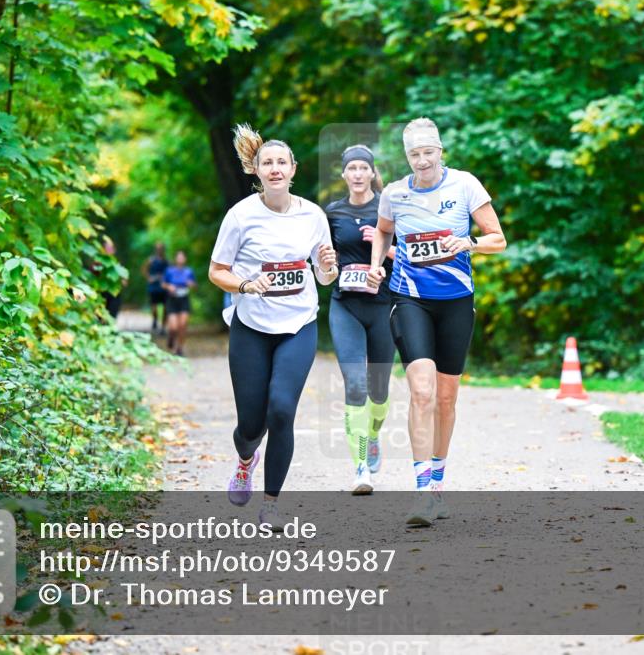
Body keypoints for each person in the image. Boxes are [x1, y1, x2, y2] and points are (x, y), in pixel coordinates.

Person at [367, 117, 506, 526]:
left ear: (440, 152)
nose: (422, 160)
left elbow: (498, 237)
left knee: (446, 398)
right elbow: (382, 232)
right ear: (407, 157)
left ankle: (439, 481)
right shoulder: (394, 194)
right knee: (422, 391)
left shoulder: (465, 185)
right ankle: (423, 490)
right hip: (410, 299)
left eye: (428, 152)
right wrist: (377, 265)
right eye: (414, 154)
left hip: (456, 303)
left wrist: (470, 243)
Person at [208, 124, 338, 530]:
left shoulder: (313, 215)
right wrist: (247, 285)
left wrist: (330, 267)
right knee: (251, 424)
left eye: (282, 162)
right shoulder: (241, 215)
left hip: (298, 323)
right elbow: (217, 271)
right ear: (257, 170)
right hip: (251, 325)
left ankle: (271, 504)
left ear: (293, 168)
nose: (276, 168)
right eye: (268, 162)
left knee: (281, 410)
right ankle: (246, 460)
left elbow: (325, 277)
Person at [325, 144, 396, 495]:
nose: (356, 174)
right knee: (354, 384)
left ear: (371, 173)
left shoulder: (389, 207)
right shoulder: (333, 213)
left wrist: (384, 249)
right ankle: (361, 468)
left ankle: (373, 436)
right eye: (350, 168)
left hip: (383, 306)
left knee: (379, 390)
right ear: (344, 175)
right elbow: (324, 258)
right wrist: (328, 264)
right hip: (346, 306)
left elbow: (411, 254)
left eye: (362, 168)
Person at [162, 250, 197, 356]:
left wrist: (191, 284)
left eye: (182, 257)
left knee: (182, 325)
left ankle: (179, 348)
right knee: (173, 327)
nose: (181, 259)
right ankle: (171, 339)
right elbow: (163, 284)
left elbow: (195, 286)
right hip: (172, 300)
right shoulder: (169, 271)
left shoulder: (189, 271)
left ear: (185, 259)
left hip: (184, 299)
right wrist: (169, 287)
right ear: (175, 259)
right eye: (179, 257)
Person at [142, 242, 169, 335]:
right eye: (158, 248)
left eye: (161, 248)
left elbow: (170, 272)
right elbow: (144, 269)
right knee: (154, 307)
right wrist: (149, 278)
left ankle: (163, 327)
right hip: (154, 286)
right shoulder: (151, 260)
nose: (159, 250)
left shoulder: (166, 261)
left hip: (164, 287)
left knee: (166, 307)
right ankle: (155, 319)